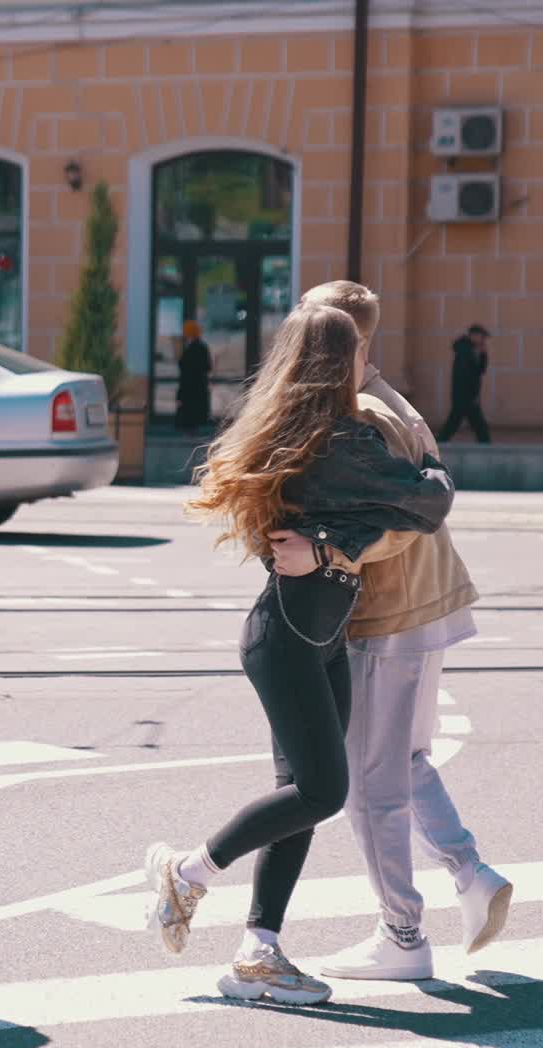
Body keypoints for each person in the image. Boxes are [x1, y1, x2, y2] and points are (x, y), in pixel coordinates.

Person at [145, 304, 455, 1005]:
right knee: (323, 791)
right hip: (291, 642)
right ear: (343, 363)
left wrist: (329, 543)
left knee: (303, 797)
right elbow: (432, 502)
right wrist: (427, 451)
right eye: (357, 355)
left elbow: (347, 518)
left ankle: (259, 952)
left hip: (308, 637)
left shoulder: (293, 435)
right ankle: (188, 873)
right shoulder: (344, 444)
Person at [269, 282, 510, 981]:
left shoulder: (364, 415)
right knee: (402, 760)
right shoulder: (388, 401)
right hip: (424, 606)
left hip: (390, 612)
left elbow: (398, 526)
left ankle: (402, 935)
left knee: (369, 783)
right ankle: (470, 876)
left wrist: (327, 553)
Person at [437, 324, 491, 444]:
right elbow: (466, 376)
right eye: (482, 337)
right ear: (474, 336)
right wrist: (471, 395)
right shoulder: (464, 351)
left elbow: (480, 370)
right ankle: (487, 448)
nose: (483, 340)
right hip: (465, 396)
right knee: (477, 425)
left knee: (455, 423)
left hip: (465, 396)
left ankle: (439, 443)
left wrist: (483, 354)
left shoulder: (469, 350)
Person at [174, 320, 212, 434]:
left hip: (189, 387)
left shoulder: (190, 349)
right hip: (199, 386)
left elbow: (184, 367)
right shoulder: (203, 347)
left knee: (188, 415)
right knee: (195, 414)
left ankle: (190, 433)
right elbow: (208, 366)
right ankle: (193, 432)